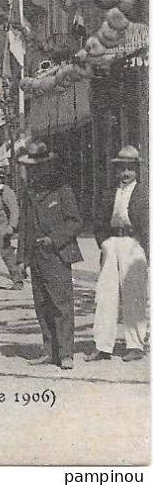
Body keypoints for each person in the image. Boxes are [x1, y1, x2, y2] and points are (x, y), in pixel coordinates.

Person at [16, 141, 83, 370]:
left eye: (40, 167)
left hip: (57, 255)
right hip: (36, 257)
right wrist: (21, 259)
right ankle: (48, 351)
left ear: (49, 166)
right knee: (42, 304)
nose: (36, 172)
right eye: (32, 168)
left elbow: (75, 222)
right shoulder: (29, 193)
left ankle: (66, 353)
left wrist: (53, 239)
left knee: (61, 305)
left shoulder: (62, 190)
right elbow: (24, 225)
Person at [86, 146, 148, 363]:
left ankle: (135, 344)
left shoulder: (144, 193)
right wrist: (103, 243)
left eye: (130, 169)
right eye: (122, 169)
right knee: (105, 295)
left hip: (134, 243)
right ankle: (103, 346)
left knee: (134, 295)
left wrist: (145, 249)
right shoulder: (108, 192)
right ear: (116, 170)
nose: (125, 174)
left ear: (136, 171)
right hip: (112, 243)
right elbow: (99, 220)